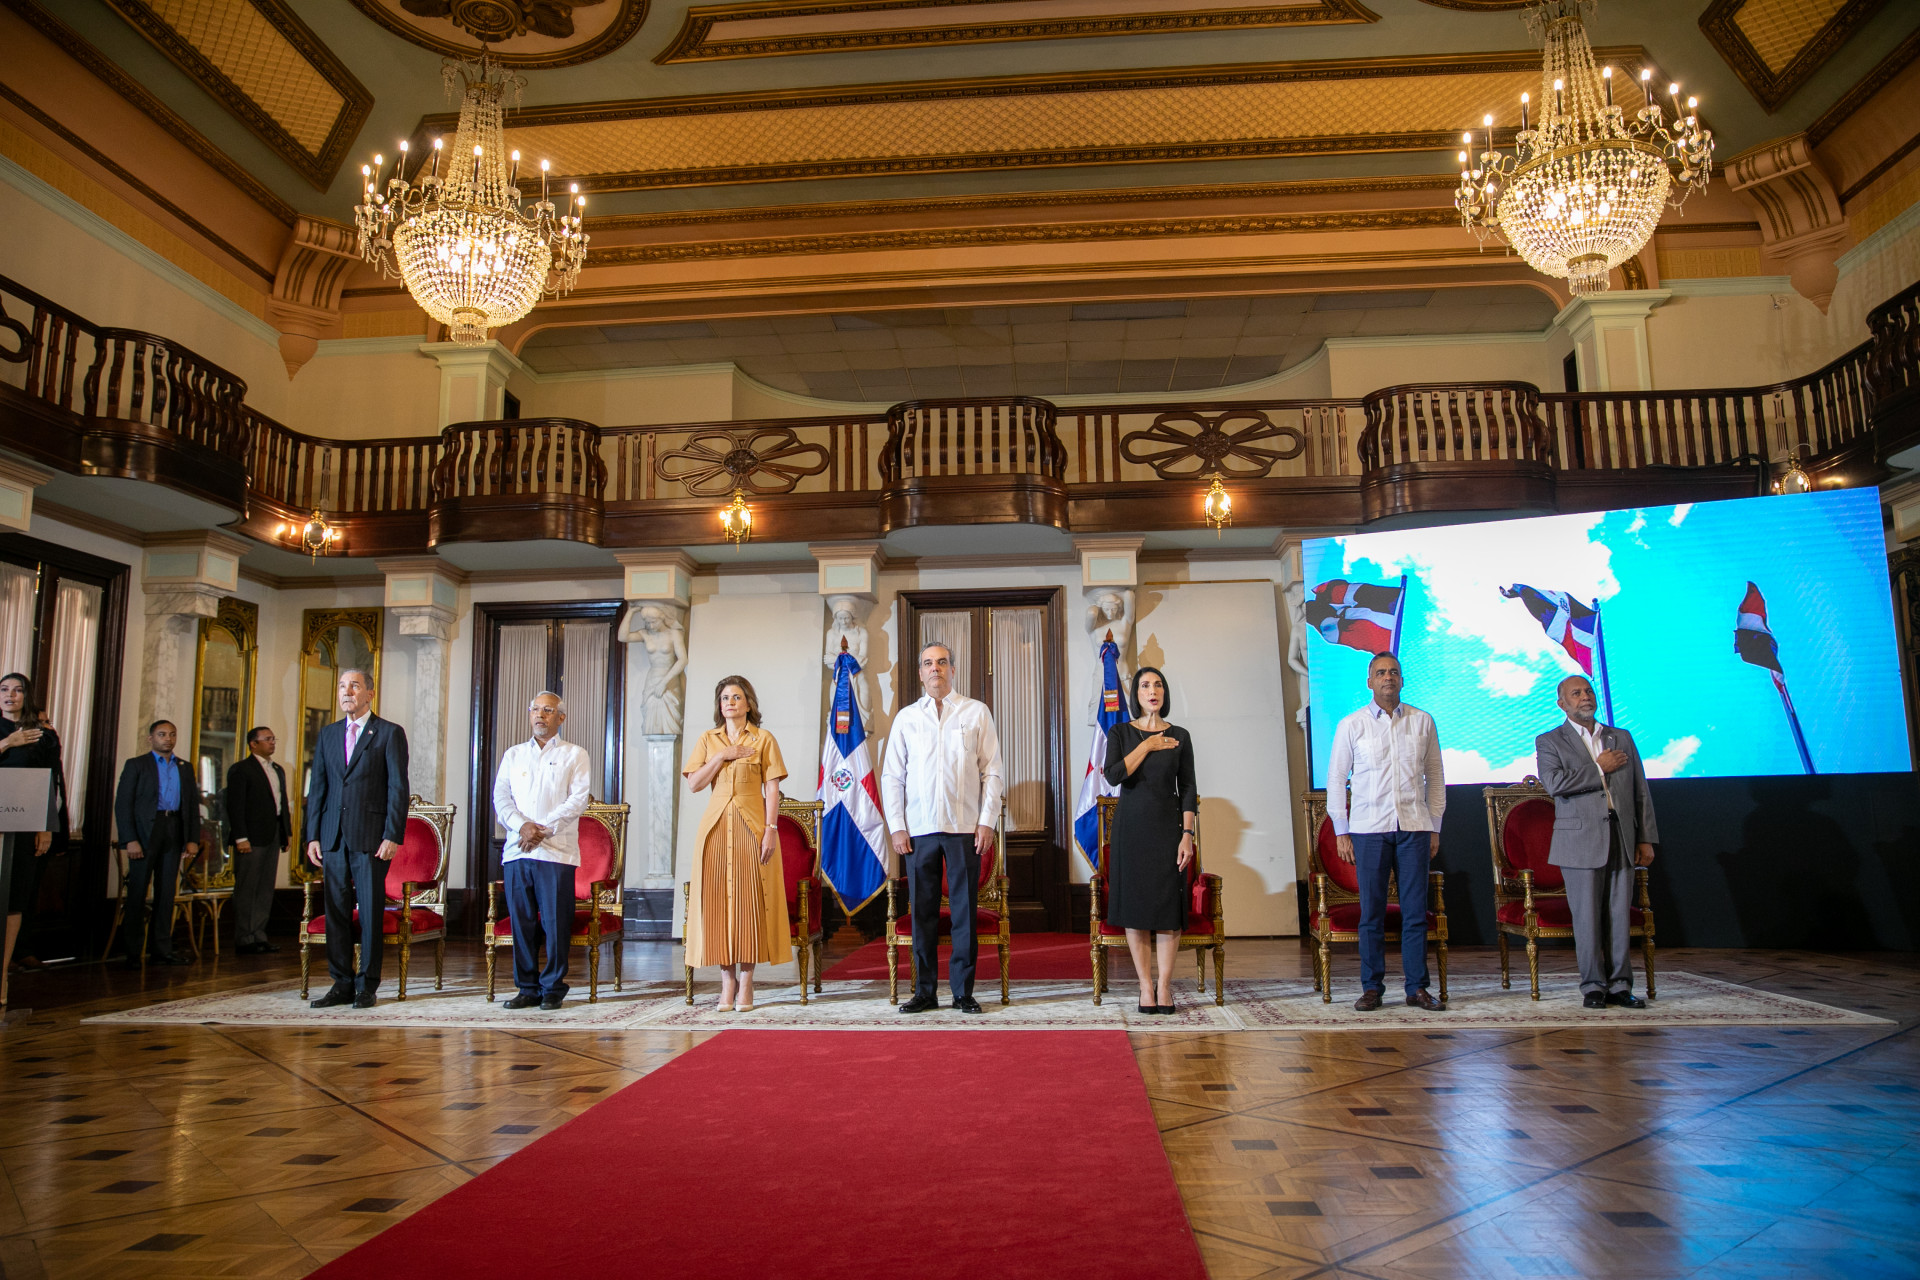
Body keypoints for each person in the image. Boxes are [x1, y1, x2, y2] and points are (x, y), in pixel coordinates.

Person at [882, 642, 1005, 1015]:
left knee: (965, 912)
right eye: (927, 663)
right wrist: (897, 826)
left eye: (941, 662)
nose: (934, 668)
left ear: (953, 669)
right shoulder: (906, 718)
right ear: (921, 673)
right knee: (923, 914)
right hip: (918, 831)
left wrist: (986, 821)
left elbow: (993, 771)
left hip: (964, 829)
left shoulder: (976, 712)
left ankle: (963, 992)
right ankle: (925, 992)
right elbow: (892, 776)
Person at [1325, 652, 1445, 1012]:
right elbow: (1336, 779)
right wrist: (1341, 830)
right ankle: (1372, 987)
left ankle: (1416, 988)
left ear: (1402, 679)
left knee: (1415, 912)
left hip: (1414, 827)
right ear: (1370, 682)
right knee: (1371, 914)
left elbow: (1435, 777)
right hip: (1368, 829)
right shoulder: (1352, 724)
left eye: (1393, 672)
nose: (1387, 677)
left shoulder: (1422, 721)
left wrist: (1434, 825)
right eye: (1380, 673)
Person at [1535, 674, 1660, 1010]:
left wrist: (1646, 838)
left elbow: (1640, 791)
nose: (1585, 697)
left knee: (1619, 915)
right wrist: (1598, 768)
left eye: (1588, 691)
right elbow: (1554, 784)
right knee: (1587, 917)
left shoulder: (1621, 737)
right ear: (1562, 704)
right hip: (1579, 840)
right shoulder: (1550, 740)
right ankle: (1593, 986)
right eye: (1576, 693)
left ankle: (1620, 985)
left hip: (1622, 835)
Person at [303, 668, 410, 1010]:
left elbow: (397, 788)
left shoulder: (389, 733)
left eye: (354, 686)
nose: (346, 691)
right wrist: (313, 835)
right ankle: (341, 983)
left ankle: (367, 984)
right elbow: (318, 787)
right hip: (332, 837)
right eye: (342, 686)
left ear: (370, 694)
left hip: (371, 837)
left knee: (370, 912)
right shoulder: (328, 734)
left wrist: (392, 834)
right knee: (335, 912)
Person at [682, 676, 788, 1012]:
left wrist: (771, 829)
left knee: (748, 903)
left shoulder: (763, 739)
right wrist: (721, 757)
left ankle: (746, 981)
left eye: (737, 697)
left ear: (748, 703)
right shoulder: (707, 739)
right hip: (714, 829)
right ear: (720, 704)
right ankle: (726, 982)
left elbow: (772, 788)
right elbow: (694, 784)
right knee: (718, 907)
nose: (730, 702)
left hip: (751, 827)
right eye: (725, 697)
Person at [1102, 666, 1197, 1015]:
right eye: (1145, 685)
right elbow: (1113, 775)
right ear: (1137, 695)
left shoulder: (1181, 735)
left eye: (1158, 685)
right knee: (1137, 910)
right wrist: (1148, 745)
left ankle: (1165, 985)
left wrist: (1187, 835)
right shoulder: (1121, 732)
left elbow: (1188, 788)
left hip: (1168, 830)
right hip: (1131, 831)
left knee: (1168, 909)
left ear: (1164, 693)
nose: (1152, 690)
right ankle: (1145, 986)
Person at [493, 692, 592, 1011]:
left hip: (555, 852)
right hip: (518, 850)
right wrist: (522, 826)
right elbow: (501, 798)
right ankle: (527, 987)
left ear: (560, 717)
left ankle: (553, 987)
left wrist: (541, 830)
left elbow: (577, 800)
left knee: (555, 923)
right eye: (535, 709)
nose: (540, 715)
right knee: (521, 923)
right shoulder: (513, 755)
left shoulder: (574, 754)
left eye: (547, 710)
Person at [112, 719, 201, 968]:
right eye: (162, 734)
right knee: (138, 892)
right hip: (144, 833)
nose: (168, 739)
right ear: (150, 738)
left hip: (173, 828)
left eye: (172, 734)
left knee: (166, 893)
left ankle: (161, 949)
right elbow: (123, 804)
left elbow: (191, 806)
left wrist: (192, 839)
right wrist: (130, 839)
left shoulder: (185, 767)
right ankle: (133, 952)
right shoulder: (137, 765)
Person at [1, 673, 63, 976]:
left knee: (16, 897)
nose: (10, 695)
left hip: (24, 825)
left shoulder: (44, 736)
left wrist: (45, 827)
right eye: (4, 689)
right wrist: (7, 743)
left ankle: (3, 969)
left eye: (18, 690)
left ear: (28, 696)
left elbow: (50, 782)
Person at [224, 726, 290, 955]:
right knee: (247, 888)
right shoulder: (241, 770)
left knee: (265, 888)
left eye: (273, 738)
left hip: (272, 834)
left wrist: (286, 833)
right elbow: (235, 806)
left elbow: (281, 804)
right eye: (267, 739)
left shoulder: (277, 769)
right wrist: (241, 837)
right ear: (253, 743)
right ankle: (245, 937)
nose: (272, 742)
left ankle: (259, 934)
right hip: (251, 837)